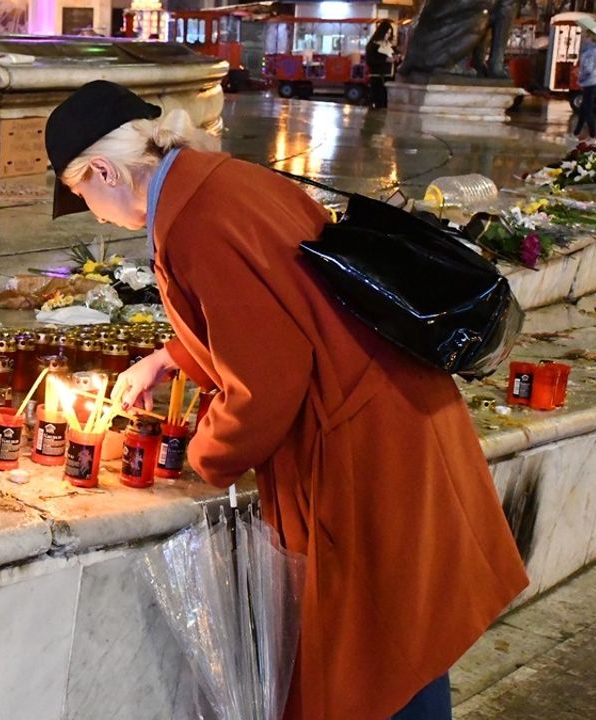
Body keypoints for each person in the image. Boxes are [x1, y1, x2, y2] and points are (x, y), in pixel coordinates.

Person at [45, 80, 529, 720]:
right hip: (395, 409)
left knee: (378, 651)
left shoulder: (195, 224)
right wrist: (170, 357)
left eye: (84, 196)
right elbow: (285, 299)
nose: (95, 214)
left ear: (103, 170)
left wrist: (205, 456)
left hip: (360, 447)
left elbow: (267, 383)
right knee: (408, 632)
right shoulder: (219, 180)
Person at [573, 35, 596, 140]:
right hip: (593, 81)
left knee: (587, 109)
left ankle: (592, 134)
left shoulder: (590, 51)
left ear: (591, 39)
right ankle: (576, 131)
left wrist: (580, 77)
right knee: (583, 108)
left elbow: (588, 69)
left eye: (586, 36)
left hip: (590, 81)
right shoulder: (595, 50)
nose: (584, 38)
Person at [365, 20, 398, 109]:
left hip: (390, 77)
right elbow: (370, 60)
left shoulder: (390, 46)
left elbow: (395, 56)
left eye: (389, 33)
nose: (387, 35)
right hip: (378, 77)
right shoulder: (373, 45)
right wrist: (385, 60)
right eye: (386, 33)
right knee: (379, 100)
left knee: (387, 102)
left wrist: (397, 58)